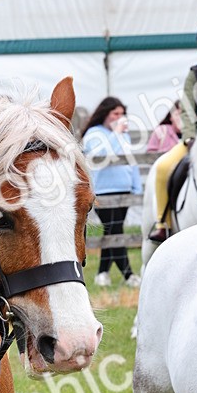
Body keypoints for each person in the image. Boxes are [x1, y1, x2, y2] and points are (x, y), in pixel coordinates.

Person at [149, 14, 197, 243]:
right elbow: (187, 108)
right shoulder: (195, 74)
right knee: (163, 167)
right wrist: (190, 137)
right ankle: (163, 223)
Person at [81, 97, 142, 288]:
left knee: (113, 231)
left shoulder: (124, 135)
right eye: (115, 113)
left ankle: (102, 273)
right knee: (115, 230)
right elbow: (102, 155)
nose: (119, 117)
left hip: (124, 189)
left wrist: (136, 186)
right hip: (103, 190)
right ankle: (129, 275)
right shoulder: (94, 133)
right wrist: (116, 133)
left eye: (122, 114)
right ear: (105, 114)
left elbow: (131, 161)